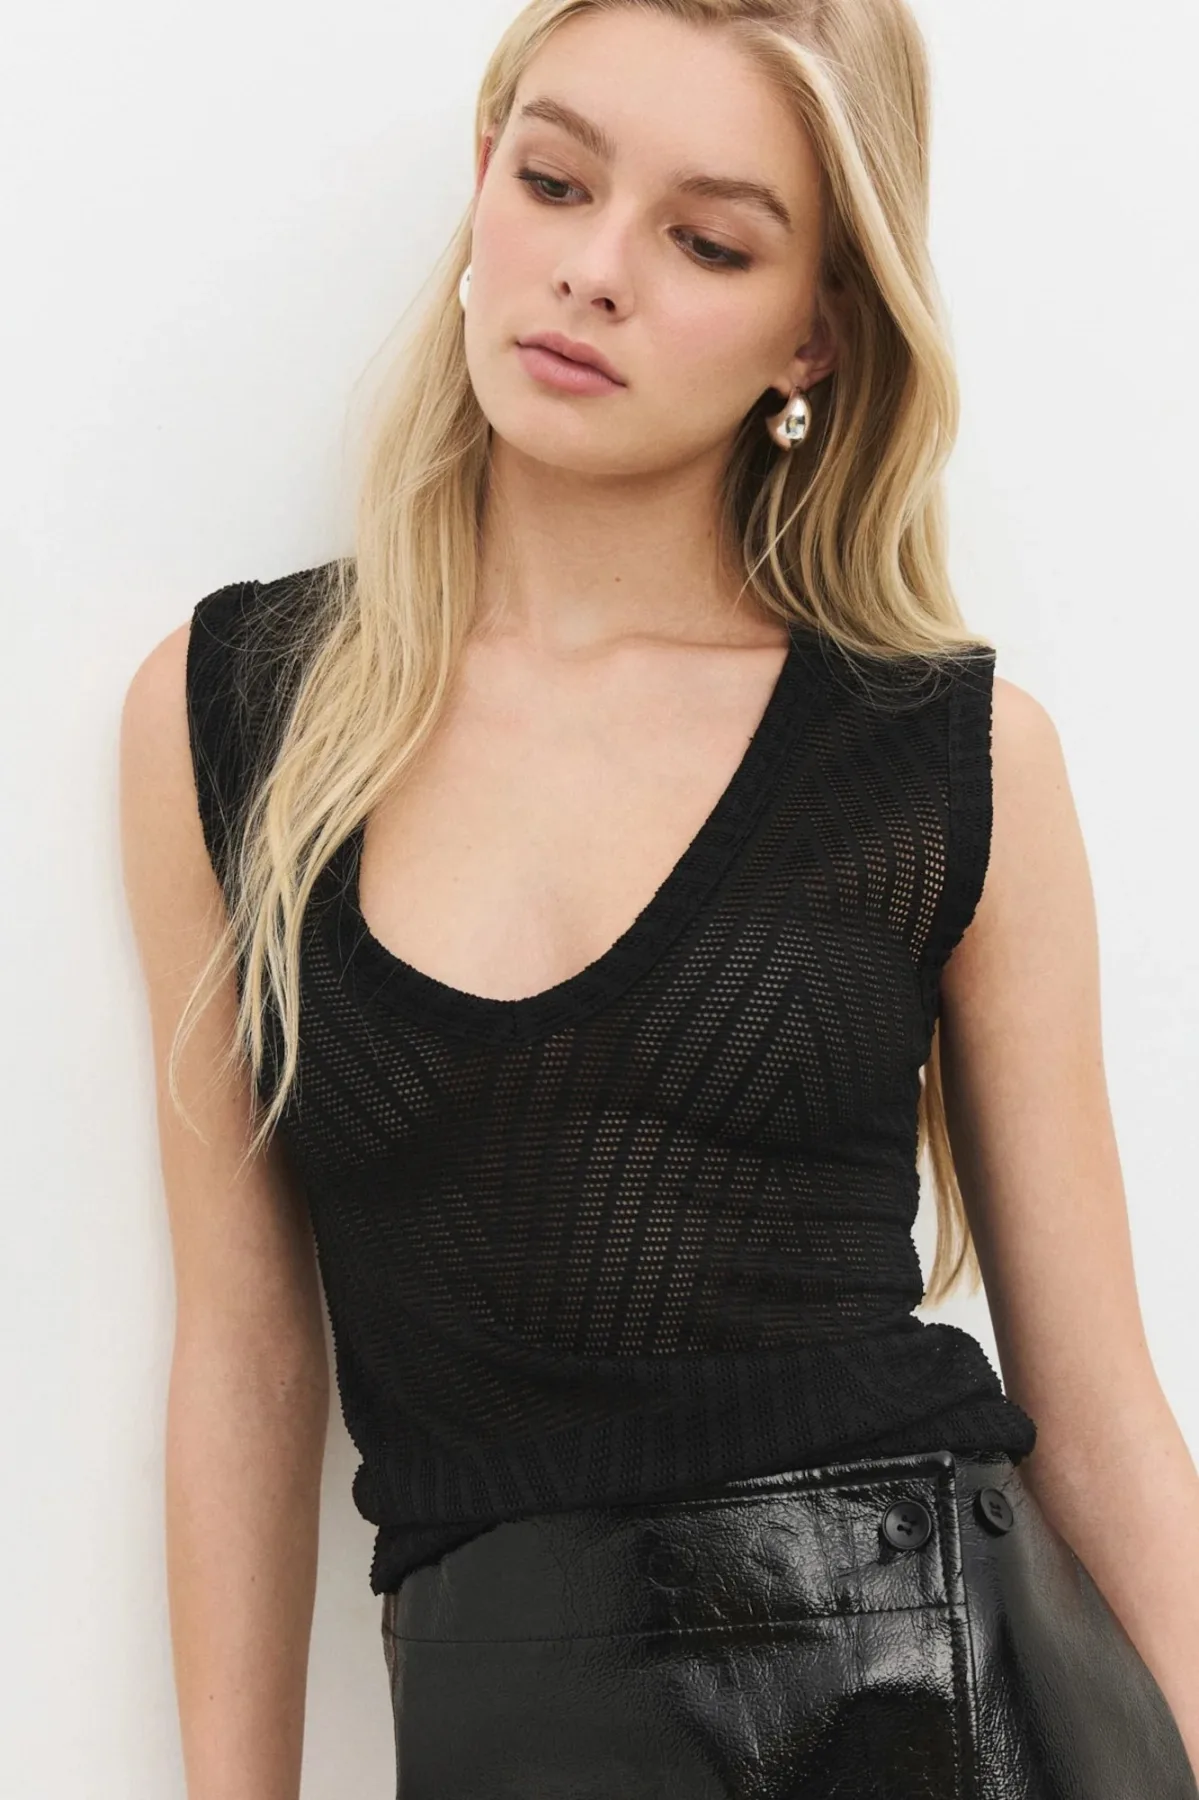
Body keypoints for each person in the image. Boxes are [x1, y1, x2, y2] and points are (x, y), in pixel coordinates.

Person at [120, 0, 1199, 1794]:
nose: (593, 272)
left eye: (707, 241)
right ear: (484, 181)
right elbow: (242, 1358)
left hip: (944, 1704)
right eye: (555, 182)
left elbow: (1099, 1419)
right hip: (512, 1722)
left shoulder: (947, 756)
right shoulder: (233, 713)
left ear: (813, 334)